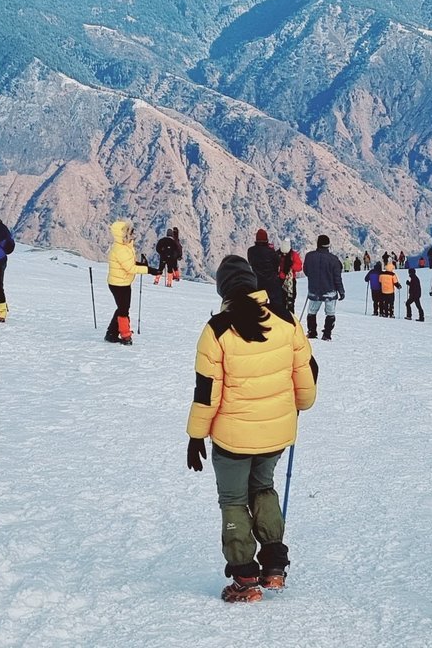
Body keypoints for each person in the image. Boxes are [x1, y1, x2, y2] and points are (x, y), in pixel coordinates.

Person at [186, 256, 318, 602]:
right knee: (263, 489)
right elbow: (305, 377)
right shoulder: (286, 321)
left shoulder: (216, 330)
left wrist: (196, 435)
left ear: (222, 289)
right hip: (276, 434)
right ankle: (274, 566)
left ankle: (245, 578)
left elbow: (206, 392)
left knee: (233, 500)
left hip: (233, 437)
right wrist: (296, 408)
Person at [104, 220, 141, 344]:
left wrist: (143, 265)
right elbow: (130, 268)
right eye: (130, 231)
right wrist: (149, 270)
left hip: (123, 282)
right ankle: (125, 335)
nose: (132, 234)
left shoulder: (125, 246)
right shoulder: (120, 249)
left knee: (122, 308)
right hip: (118, 284)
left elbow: (130, 264)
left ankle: (111, 333)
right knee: (123, 310)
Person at [302, 235, 343, 341]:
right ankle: (327, 334)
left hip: (314, 290)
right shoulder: (334, 259)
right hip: (330, 291)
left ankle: (312, 332)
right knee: (330, 313)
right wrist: (341, 291)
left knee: (311, 311)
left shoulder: (309, 256)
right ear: (328, 245)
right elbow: (337, 277)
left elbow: (306, 271)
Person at [248, 230, 291, 314]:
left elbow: (251, 262)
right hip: (272, 281)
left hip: (257, 282)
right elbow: (277, 263)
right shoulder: (270, 251)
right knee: (277, 306)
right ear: (266, 239)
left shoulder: (251, 251)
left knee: (257, 307)